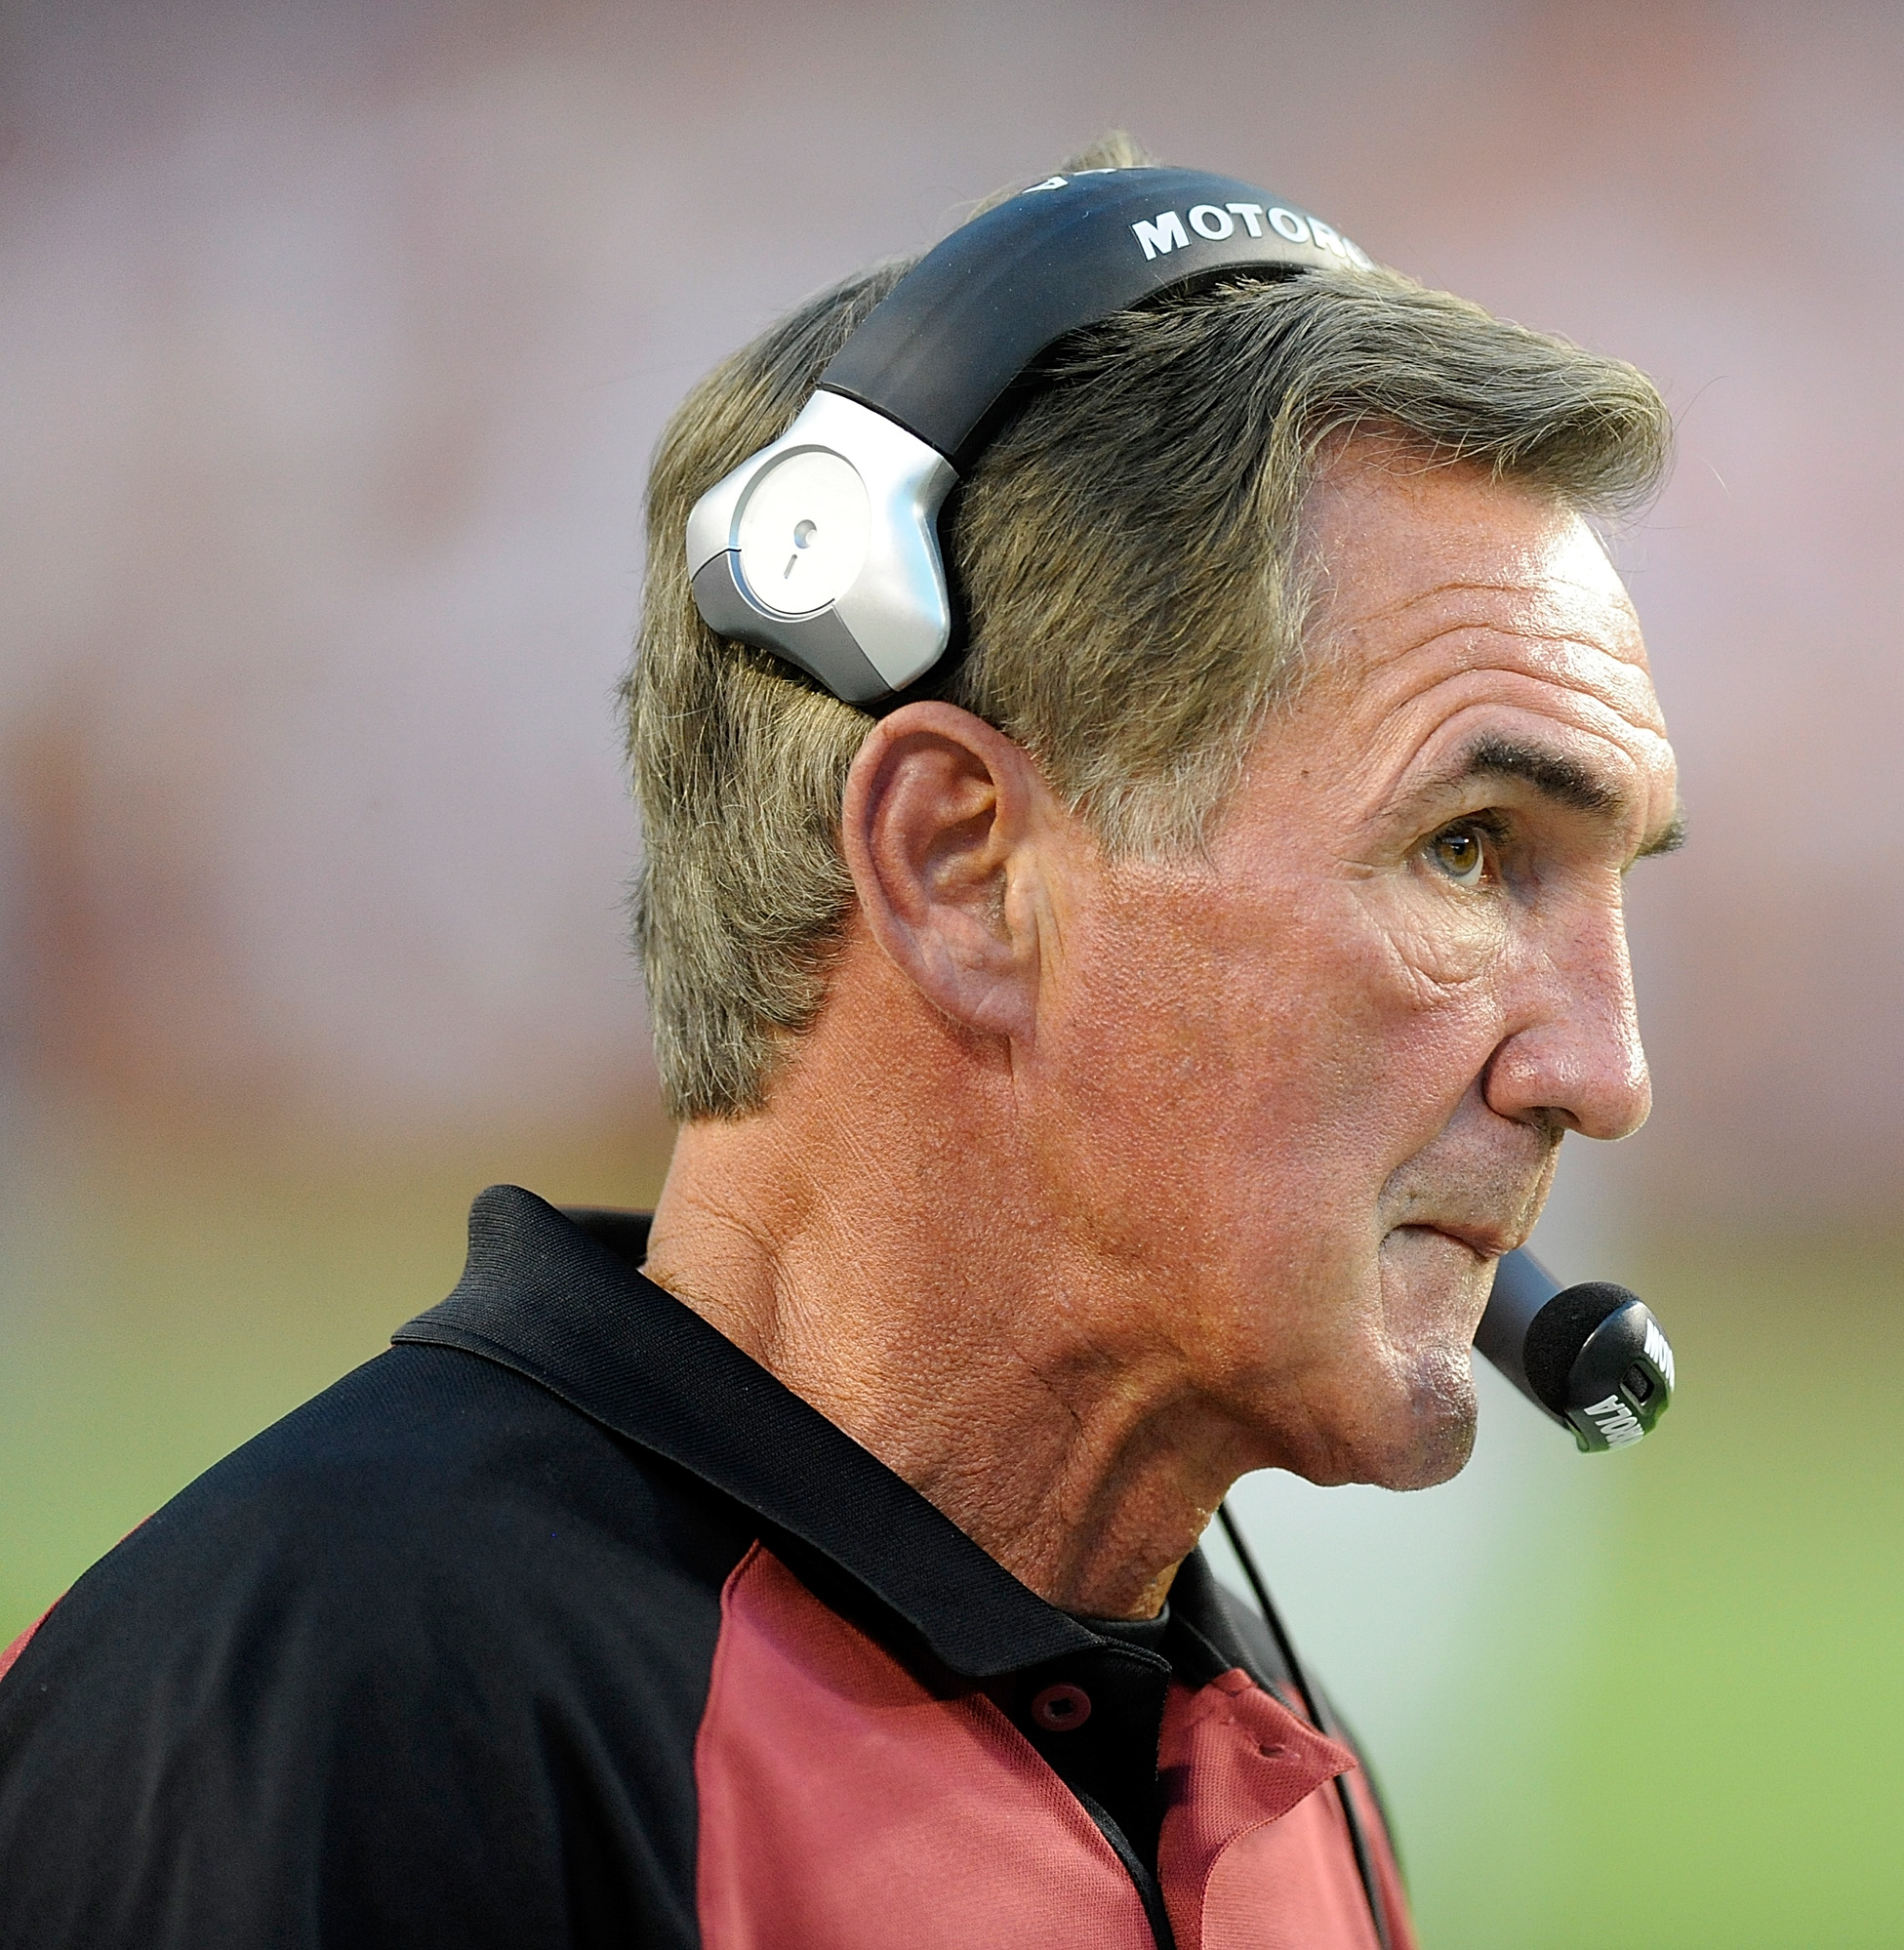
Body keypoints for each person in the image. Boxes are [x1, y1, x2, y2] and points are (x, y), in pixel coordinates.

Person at [0, 134, 1679, 1949]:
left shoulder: (1271, 1766)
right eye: (1467, 849)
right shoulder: (345, 1704)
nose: (1603, 1067)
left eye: (1609, 884)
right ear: (958, 868)